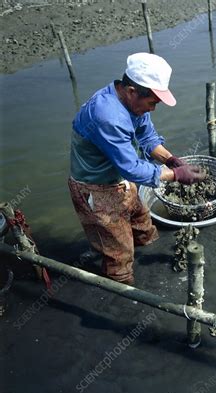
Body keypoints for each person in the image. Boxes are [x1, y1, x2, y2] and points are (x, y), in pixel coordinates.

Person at [68, 52, 206, 285]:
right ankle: (125, 297)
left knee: (144, 228)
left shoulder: (133, 105)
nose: (153, 109)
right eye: (152, 103)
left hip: (121, 181)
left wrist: (171, 160)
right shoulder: (107, 116)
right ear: (132, 91)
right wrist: (176, 175)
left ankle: (150, 264)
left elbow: (146, 136)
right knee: (118, 253)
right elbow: (132, 167)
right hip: (96, 189)